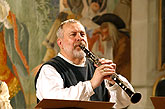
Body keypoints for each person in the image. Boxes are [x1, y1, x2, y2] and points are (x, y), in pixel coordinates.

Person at [35, 19, 134, 108]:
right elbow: (54, 101)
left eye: (82, 34)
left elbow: (123, 103)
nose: (79, 38)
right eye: (73, 34)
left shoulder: (96, 67)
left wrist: (113, 84)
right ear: (60, 43)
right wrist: (91, 85)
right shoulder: (49, 69)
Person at [91, 13, 131, 81]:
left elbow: (117, 63)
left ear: (111, 28)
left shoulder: (123, 42)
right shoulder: (112, 43)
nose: (100, 31)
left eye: (103, 28)